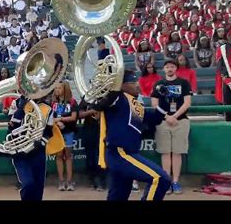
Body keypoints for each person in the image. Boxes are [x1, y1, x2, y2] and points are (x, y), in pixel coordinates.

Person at [91, 69, 171, 200]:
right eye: (133, 82)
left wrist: (163, 98)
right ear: (121, 85)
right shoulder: (117, 97)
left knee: (117, 197)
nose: (137, 84)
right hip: (120, 153)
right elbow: (101, 102)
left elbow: (156, 118)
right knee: (160, 178)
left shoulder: (136, 104)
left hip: (127, 154)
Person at [151, 60, 192, 195]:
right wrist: (166, 117)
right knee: (165, 152)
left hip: (181, 122)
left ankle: (175, 181)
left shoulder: (184, 83)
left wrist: (174, 116)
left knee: (177, 152)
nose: (169, 69)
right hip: (163, 122)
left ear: (176, 68)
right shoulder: (158, 84)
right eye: (167, 67)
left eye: (172, 66)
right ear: (164, 69)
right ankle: (167, 181)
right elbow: (154, 104)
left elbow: (187, 103)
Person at [8, 94, 57, 200]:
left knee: (38, 188)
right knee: (28, 184)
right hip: (20, 152)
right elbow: (11, 127)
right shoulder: (16, 103)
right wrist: (21, 109)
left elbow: (48, 132)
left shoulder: (47, 108)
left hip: (38, 153)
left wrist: (41, 142)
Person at [52, 80, 78, 191]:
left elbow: (73, 117)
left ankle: (70, 181)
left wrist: (61, 119)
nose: (57, 90)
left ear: (65, 89)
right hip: (57, 133)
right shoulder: (52, 103)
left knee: (68, 156)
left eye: (59, 88)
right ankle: (61, 181)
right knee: (58, 156)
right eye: (56, 88)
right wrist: (56, 122)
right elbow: (48, 117)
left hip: (68, 132)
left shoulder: (72, 102)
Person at [78, 97, 106, 191]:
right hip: (89, 130)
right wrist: (91, 112)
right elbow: (80, 114)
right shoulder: (87, 97)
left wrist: (100, 112)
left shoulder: (106, 97)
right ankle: (92, 180)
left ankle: (102, 182)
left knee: (100, 156)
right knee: (90, 157)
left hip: (102, 130)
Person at [217, 27, 231, 121]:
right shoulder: (222, 49)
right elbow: (220, 66)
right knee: (229, 109)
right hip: (229, 81)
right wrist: (227, 78)